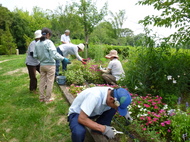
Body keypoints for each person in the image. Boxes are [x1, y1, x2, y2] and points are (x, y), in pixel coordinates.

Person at [33, 28, 70, 103]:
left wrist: (42, 58)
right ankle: (47, 99)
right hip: (50, 65)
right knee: (50, 82)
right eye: (50, 35)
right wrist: (63, 58)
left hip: (42, 65)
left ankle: (41, 98)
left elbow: (35, 55)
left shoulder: (37, 43)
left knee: (42, 81)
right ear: (48, 34)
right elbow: (54, 54)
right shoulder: (49, 42)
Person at [25, 30, 41, 94]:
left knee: (43, 73)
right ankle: (33, 89)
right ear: (38, 37)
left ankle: (44, 86)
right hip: (31, 63)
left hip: (37, 62)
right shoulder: (33, 43)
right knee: (33, 77)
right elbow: (32, 53)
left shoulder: (40, 43)